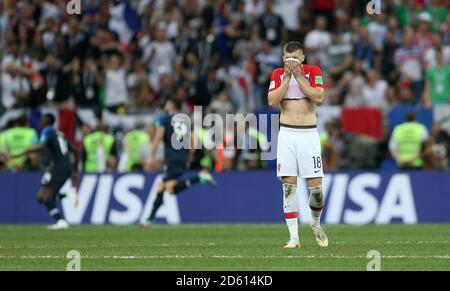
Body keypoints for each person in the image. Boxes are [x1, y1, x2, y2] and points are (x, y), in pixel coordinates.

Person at [268, 41, 328, 248]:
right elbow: (272, 101)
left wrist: (299, 77)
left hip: (308, 135)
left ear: (302, 58)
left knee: (317, 191)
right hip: (287, 134)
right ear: (283, 59)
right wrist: (287, 78)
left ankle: (315, 223)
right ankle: (294, 237)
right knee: (288, 188)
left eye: (294, 58)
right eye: (287, 58)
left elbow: (318, 98)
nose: (290, 61)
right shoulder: (277, 74)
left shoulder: (313, 72)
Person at [141, 99, 217, 227]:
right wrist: (189, 157)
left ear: (171, 105)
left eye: (167, 102)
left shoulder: (163, 119)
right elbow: (193, 140)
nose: (165, 104)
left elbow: (158, 137)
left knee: (170, 189)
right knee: (161, 186)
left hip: (171, 158)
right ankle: (149, 219)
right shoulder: (186, 120)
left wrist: (152, 157)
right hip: (182, 156)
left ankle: (199, 177)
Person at [2, 114, 80, 229]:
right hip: (62, 167)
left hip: (58, 167)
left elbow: (41, 146)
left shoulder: (47, 131)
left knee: (44, 196)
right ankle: (64, 198)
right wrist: (74, 170)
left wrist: (18, 154)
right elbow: (76, 151)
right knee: (41, 197)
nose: (39, 122)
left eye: (41, 119)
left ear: (45, 121)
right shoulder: (59, 133)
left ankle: (61, 219)